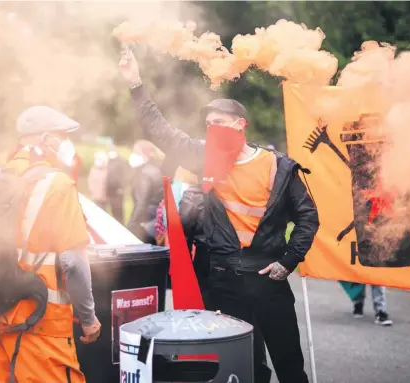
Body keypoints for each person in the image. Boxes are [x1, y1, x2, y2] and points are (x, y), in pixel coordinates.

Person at [119, 49, 319, 383]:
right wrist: (135, 83)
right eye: (208, 124)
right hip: (224, 283)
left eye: (220, 123)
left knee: (289, 365)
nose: (212, 130)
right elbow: (161, 131)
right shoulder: (204, 156)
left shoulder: (279, 167)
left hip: (270, 281)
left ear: (241, 125)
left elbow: (308, 218)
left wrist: (288, 260)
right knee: (246, 368)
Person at [0, 106, 101, 383]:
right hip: (40, 326)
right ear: (45, 139)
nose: (68, 143)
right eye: (64, 136)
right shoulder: (57, 184)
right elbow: (74, 263)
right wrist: (89, 318)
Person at [126, 140, 163, 244]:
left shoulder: (144, 173)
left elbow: (141, 202)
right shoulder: (155, 169)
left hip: (145, 221)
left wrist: (131, 225)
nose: (133, 155)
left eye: (136, 152)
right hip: (155, 220)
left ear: (145, 154)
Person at [105, 144, 129, 224]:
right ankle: (116, 223)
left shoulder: (121, 161)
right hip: (110, 190)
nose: (110, 152)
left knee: (118, 209)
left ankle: (120, 224)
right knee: (113, 209)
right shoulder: (109, 161)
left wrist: (122, 188)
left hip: (118, 190)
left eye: (112, 150)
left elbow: (126, 176)